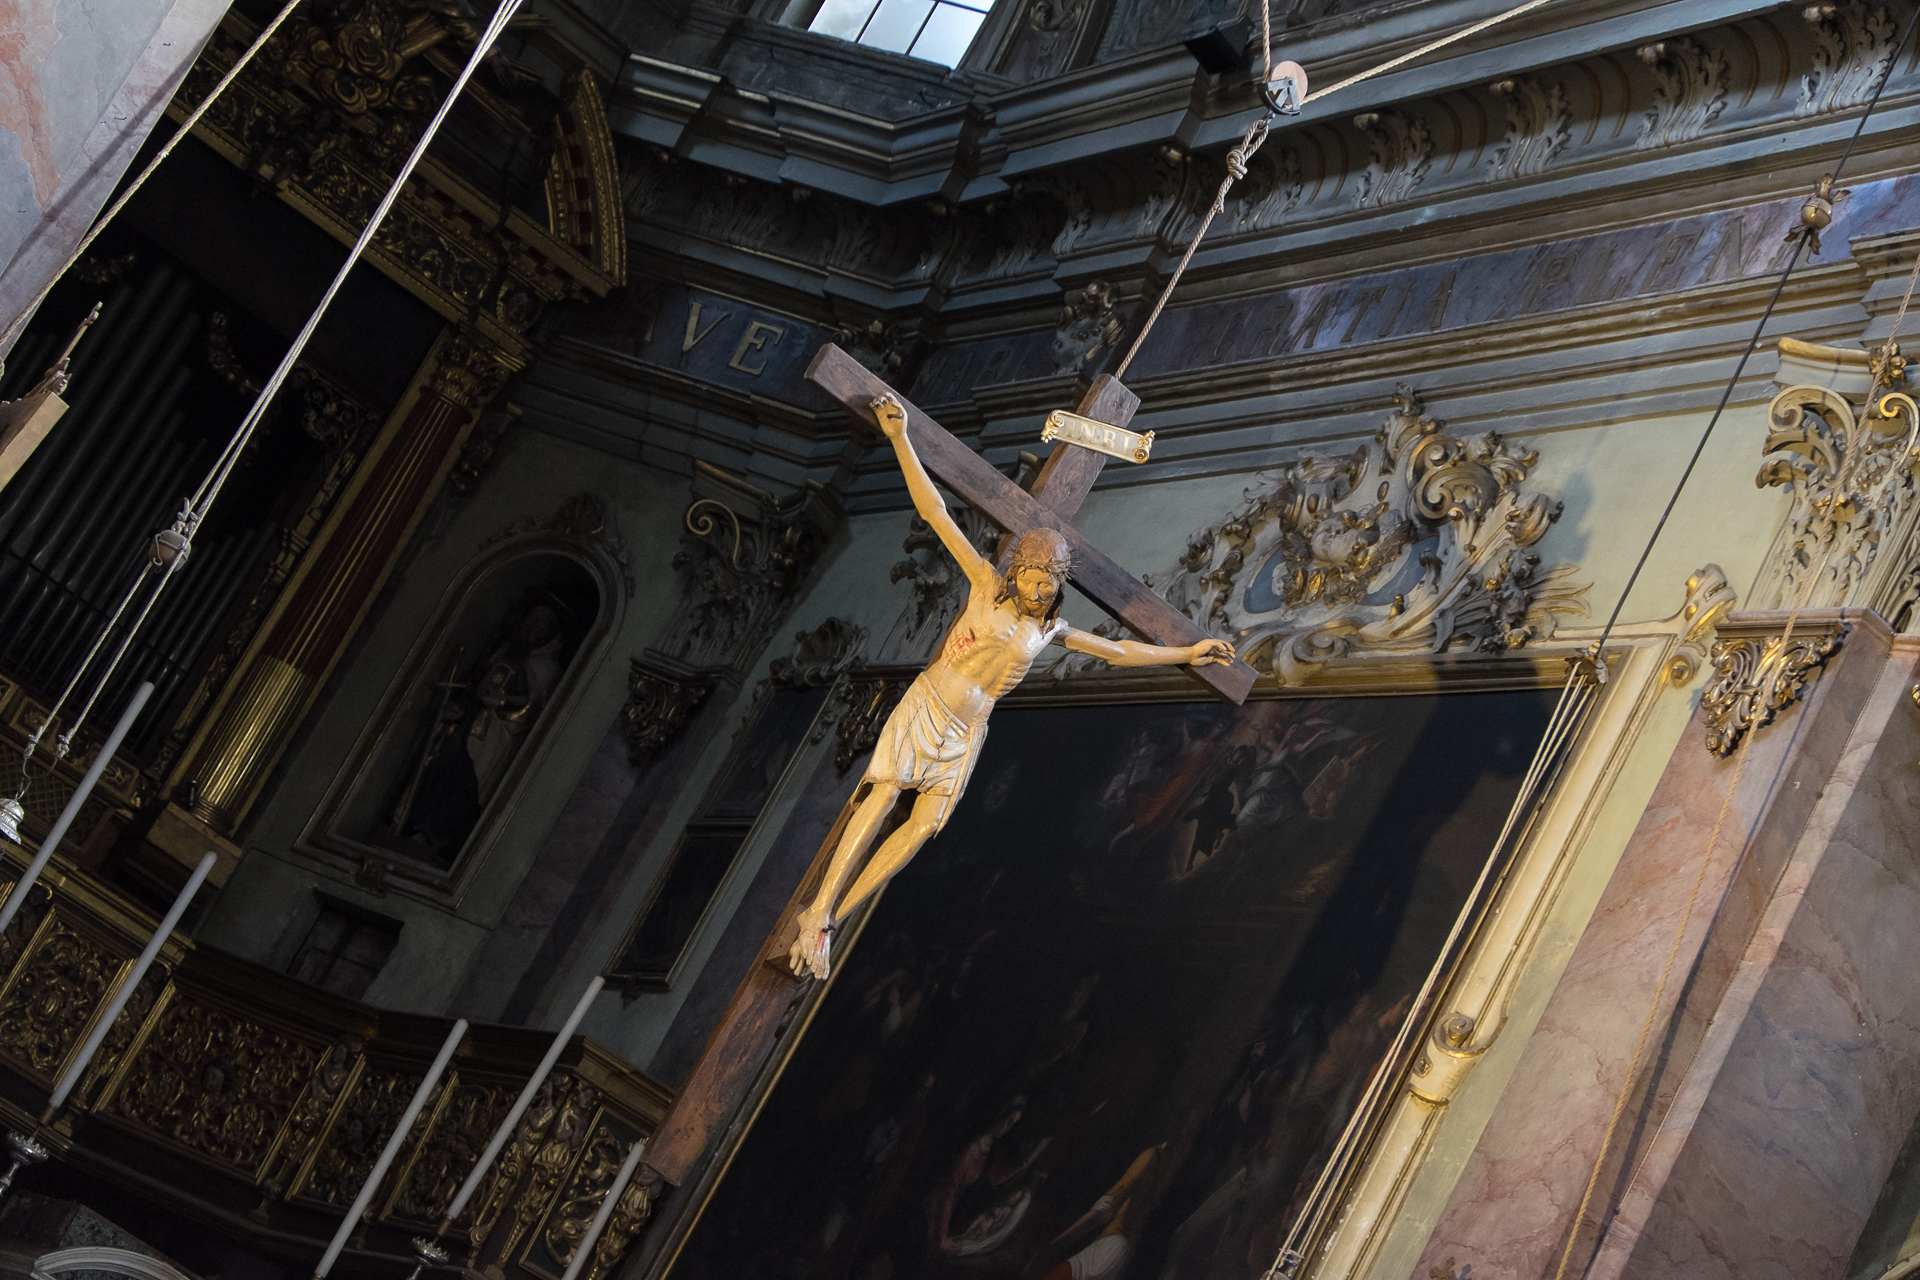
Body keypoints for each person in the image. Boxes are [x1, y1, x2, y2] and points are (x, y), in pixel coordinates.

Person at [788, 394, 1235, 978]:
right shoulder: (982, 585)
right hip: (931, 706)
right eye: (1032, 574)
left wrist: (1186, 651)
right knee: (884, 795)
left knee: (926, 826)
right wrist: (900, 437)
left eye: (1050, 581)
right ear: (1017, 568)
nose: (1041, 588)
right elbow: (936, 515)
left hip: (969, 729)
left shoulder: (1052, 629)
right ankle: (817, 907)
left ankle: (833, 917)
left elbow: (1120, 650)